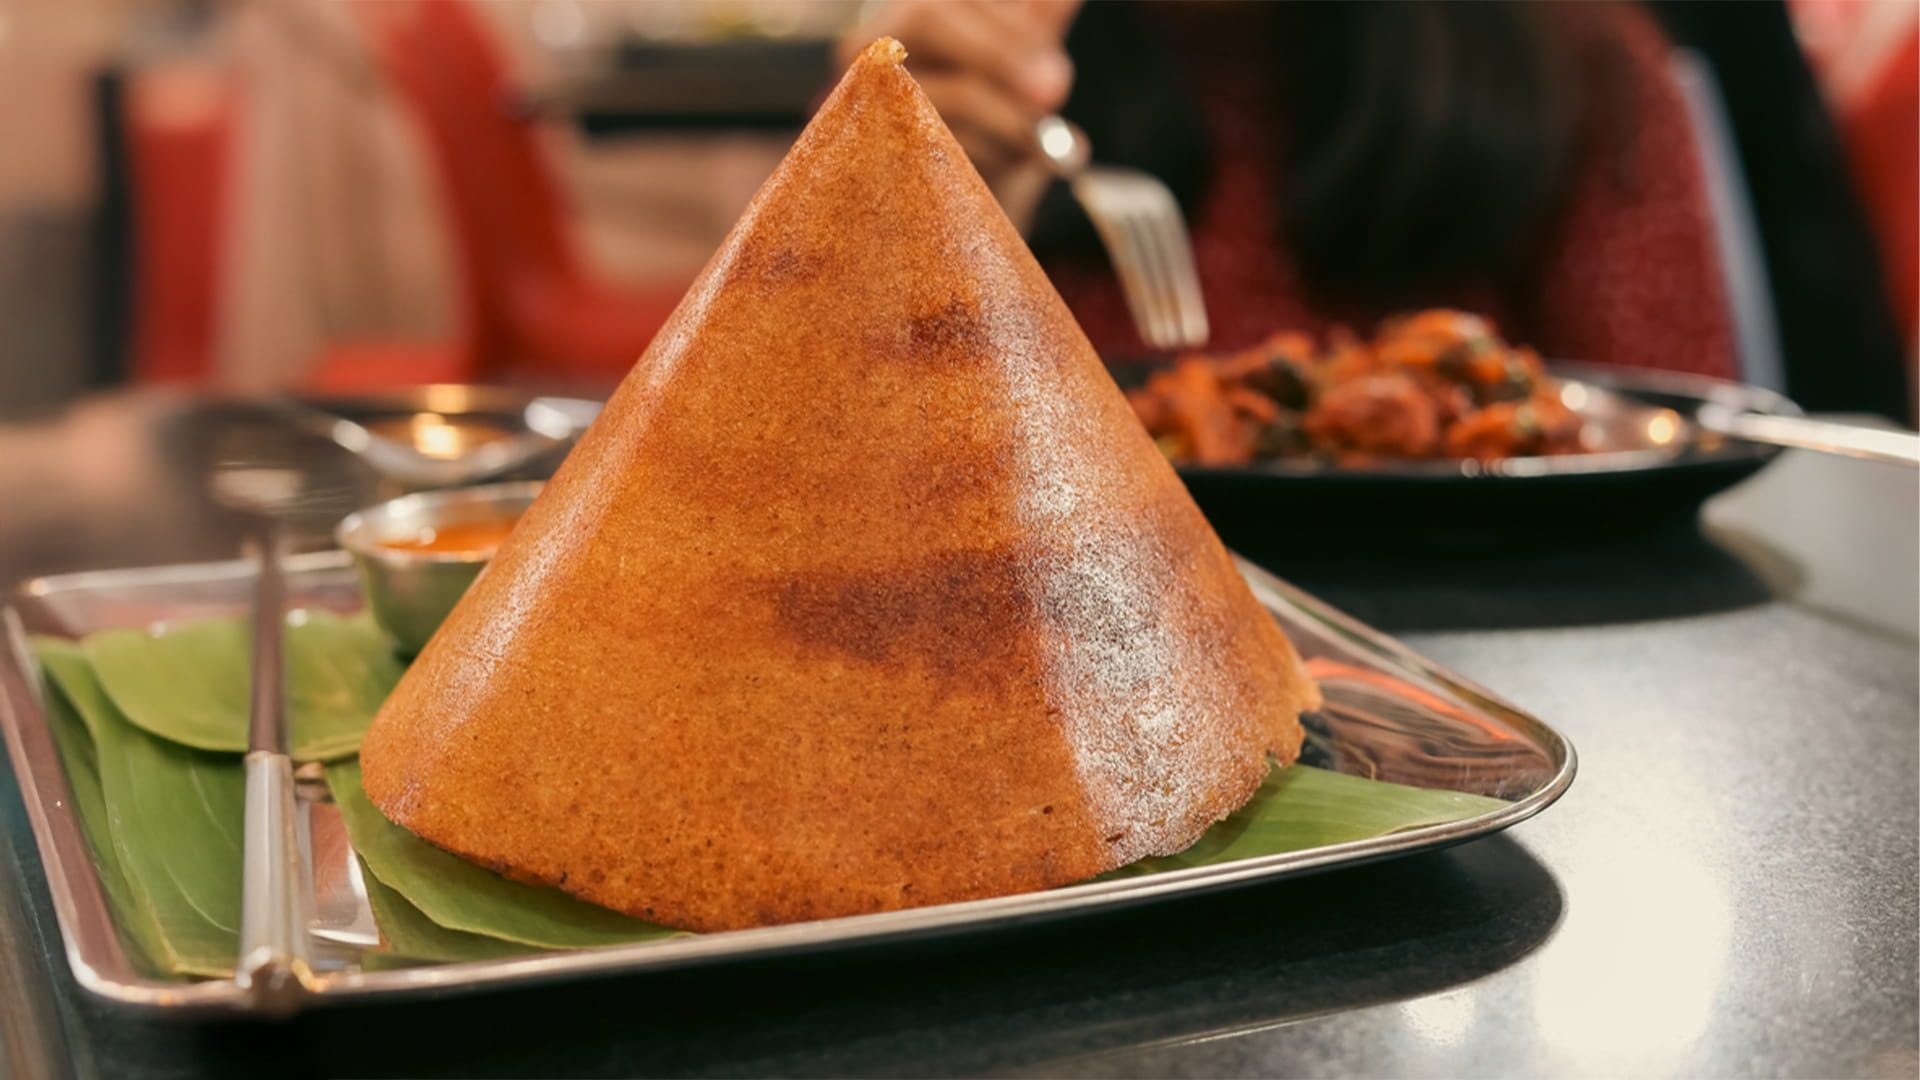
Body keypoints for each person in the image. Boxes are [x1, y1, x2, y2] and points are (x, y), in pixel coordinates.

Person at [837, 0, 1741, 382]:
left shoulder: (1577, 66)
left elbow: (1669, 429)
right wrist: (869, 197)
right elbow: (814, 482)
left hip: (1505, 682)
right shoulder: (971, 67)